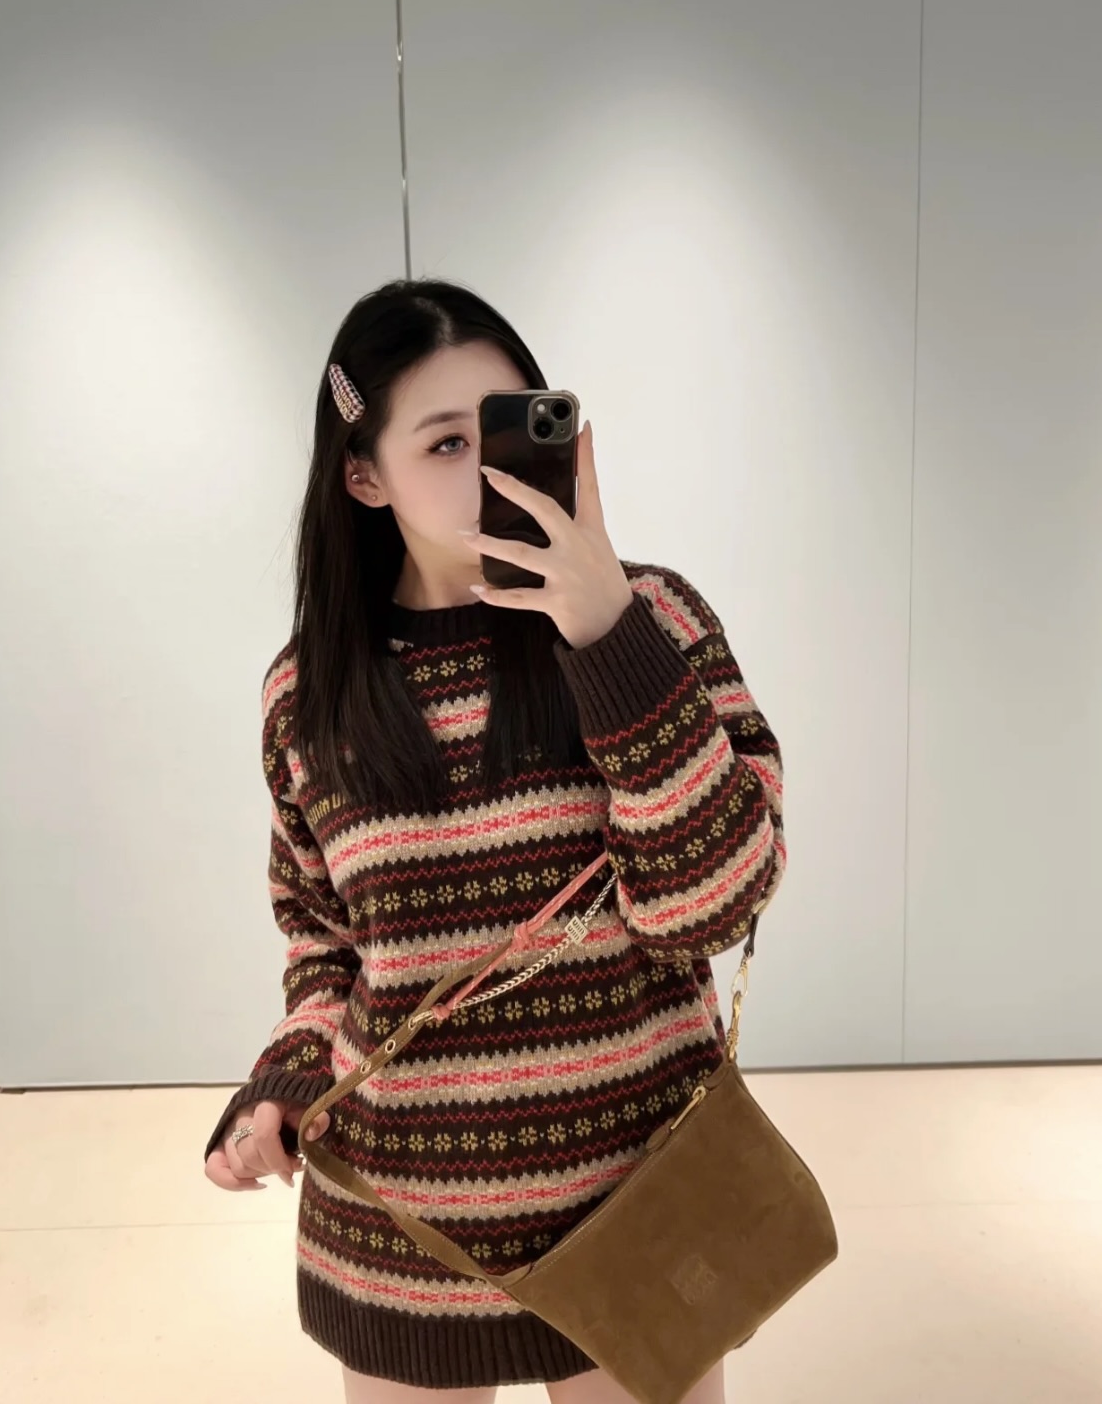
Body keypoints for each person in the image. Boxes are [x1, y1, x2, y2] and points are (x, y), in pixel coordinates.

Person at [203, 279, 786, 1404]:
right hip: (399, 1233)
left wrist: (605, 635)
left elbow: (717, 903)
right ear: (363, 475)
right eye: (445, 441)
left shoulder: (654, 620)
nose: (491, 467)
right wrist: (287, 1079)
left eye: (513, 424)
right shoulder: (309, 695)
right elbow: (323, 941)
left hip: (640, 1208)